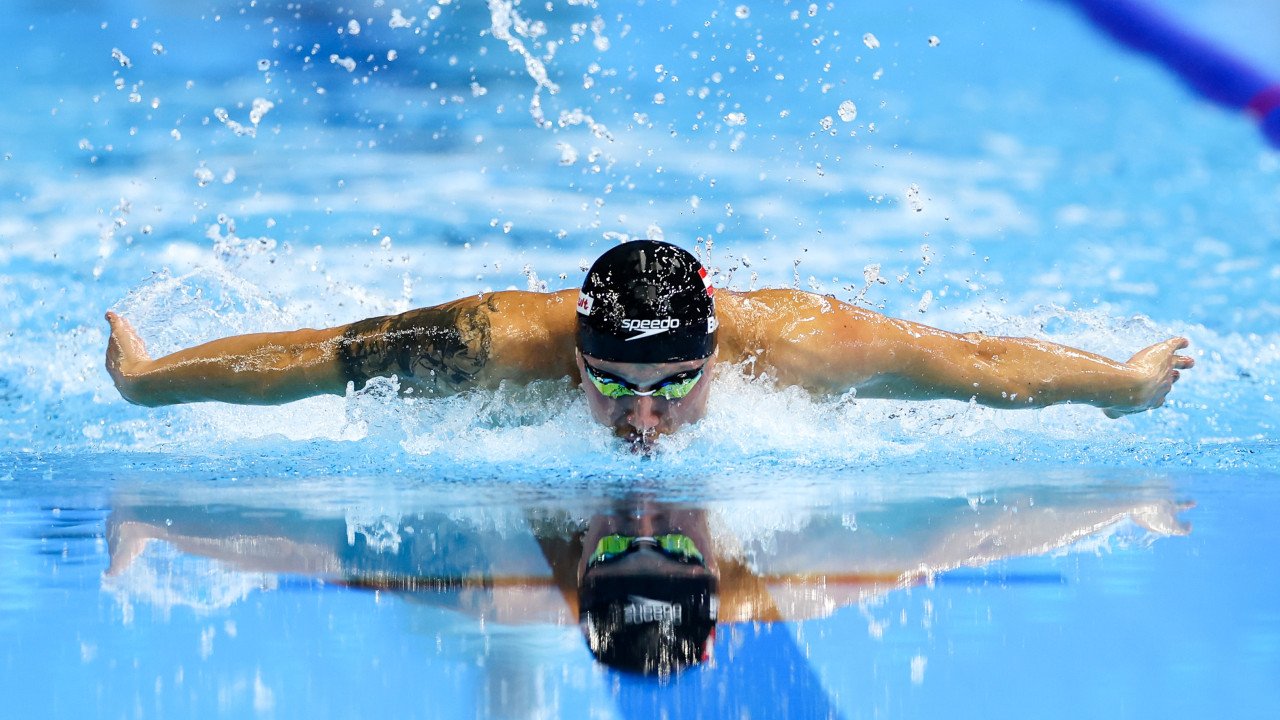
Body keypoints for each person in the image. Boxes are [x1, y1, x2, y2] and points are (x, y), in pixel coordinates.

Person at [105, 240, 1194, 447]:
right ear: (568, 355)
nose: (640, 419)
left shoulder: (807, 344)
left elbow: (981, 368)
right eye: (611, 384)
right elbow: (319, 355)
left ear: (719, 355)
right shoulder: (495, 343)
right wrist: (151, 384)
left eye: (676, 385)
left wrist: (1122, 389)